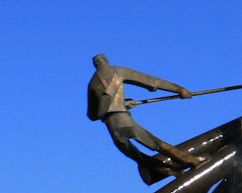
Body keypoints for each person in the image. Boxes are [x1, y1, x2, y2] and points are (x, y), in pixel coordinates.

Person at [86, 54, 204, 184]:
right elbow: (150, 81)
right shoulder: (118, 71)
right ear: (106, 61)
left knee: (139, 158)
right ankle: (192, 161)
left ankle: (173, 172)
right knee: (157, 144)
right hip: (123, 121)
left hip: (112, 128)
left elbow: (92, 115)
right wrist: (178, 89)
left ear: (95, 64)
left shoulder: (92, 84)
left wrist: (122, 103)